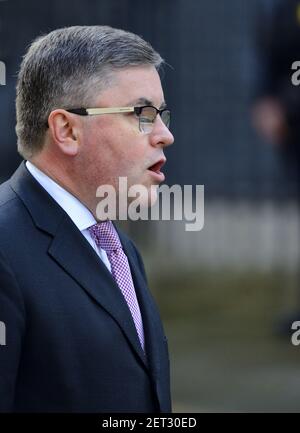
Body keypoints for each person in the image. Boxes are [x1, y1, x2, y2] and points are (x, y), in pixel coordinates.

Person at [0, 25, 174, 412]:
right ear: (66, 130)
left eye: (162, 114)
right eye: (143, 114)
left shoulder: (117, 246)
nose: (165, 134)